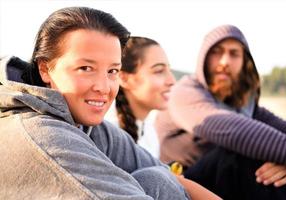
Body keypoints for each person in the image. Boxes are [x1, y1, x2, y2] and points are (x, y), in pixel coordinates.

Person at [0, 6, 221, 200]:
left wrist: (174, 181)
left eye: (112, 70)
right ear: (45, 69)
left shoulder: (86, 125)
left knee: (158, 179)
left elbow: (171, 176)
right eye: (86, 68)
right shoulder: (43, 136)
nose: (104, 87)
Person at [155, 24, 286, 200]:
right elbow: (236, 132)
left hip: (230, 187)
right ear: (204, 58)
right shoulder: (185, 93)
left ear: (244, 61)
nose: (225, 61)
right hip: (182, 187)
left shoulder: (243, 105)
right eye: (217, 52)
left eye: (234, 53)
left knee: (280, 165)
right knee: (243, 153)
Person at [105, 36, 176, 158]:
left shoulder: (149, 132)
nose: (172, 81)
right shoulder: (107, 135)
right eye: (159, 71)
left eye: (169, 70)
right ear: (123, 78)